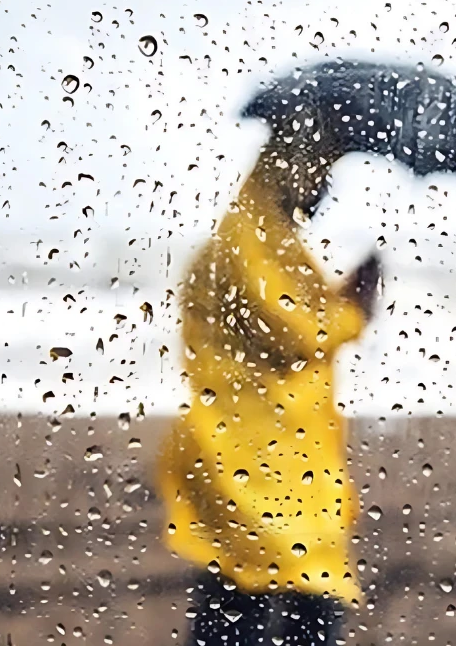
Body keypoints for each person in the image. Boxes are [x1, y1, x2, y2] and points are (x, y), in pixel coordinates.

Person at [156, 140, 380, 646]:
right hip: (244, 456)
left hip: (280, 453)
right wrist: (354, 311)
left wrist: (345, 294)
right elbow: (294, 330)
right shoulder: (246, 239)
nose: (322, 186)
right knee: (264, 598)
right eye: (317, 170)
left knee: (263, 595)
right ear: (288, 169)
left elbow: (289, 318)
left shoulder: (270, 238)